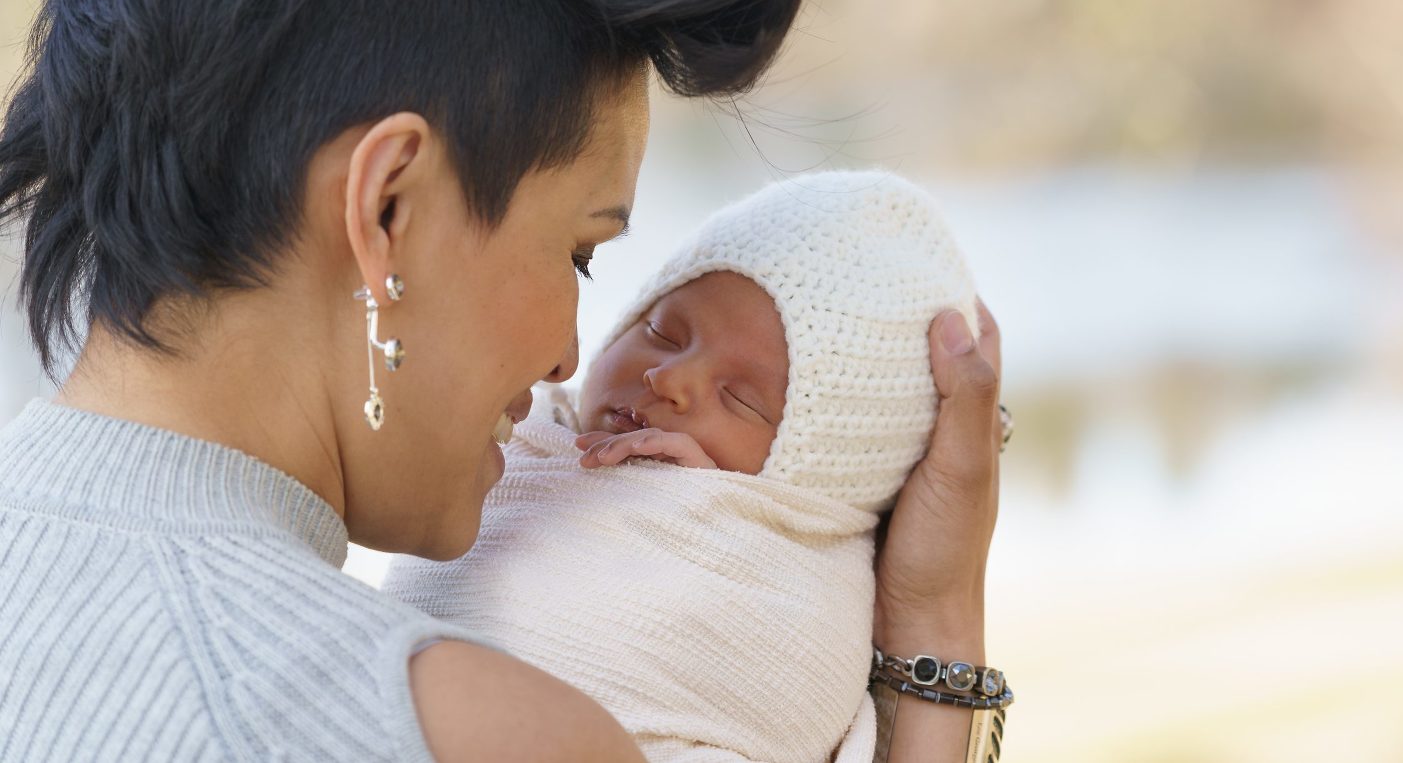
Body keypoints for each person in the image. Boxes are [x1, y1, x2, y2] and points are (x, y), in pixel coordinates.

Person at [0, 0, 1004, 761]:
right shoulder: (469, 731)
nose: (574, 350)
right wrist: (935, 628)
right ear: (388, 207)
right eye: (578, 249)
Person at [384, 170, 1010, 762]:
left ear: (799, 489)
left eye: (740, 399)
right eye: (661, 331)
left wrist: (933, 612)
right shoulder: (521, 432)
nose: (670, 378)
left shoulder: (790, 590)